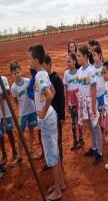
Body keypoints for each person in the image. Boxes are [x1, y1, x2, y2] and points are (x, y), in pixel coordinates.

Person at [29, 44, 65, 201]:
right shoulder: (43, 73)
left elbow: (50, 95)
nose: (28, 61)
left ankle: (58, 191)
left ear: (36, 60)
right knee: (54, 152)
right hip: (51, 116)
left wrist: (42, 113)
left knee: (52, 155)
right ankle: (60, 184)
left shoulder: (39, 76)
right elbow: (54, 91)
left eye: (30, 58)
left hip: (47, 118)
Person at [76, 44, 103, 165]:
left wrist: (93, 105)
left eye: (79, 56)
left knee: (96, 126)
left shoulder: (90, 70)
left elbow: (93, 88)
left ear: (86, 56)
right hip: (83, 102)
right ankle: (94, 147)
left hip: (90, 102)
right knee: (89, 125)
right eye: (77, 56)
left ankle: (100, 153)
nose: (77, 58)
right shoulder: (80, 71)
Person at [9, 60, 38, 166]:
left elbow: (33, 93)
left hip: (32, 110)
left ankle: (31, 151)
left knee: (31, 130)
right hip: (22, 113)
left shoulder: (27, 81)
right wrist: (21, 107)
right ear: (12, 74)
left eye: (18, 72)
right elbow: (15, 100)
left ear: (21, 71)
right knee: (20, 134)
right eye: (14, 73)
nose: (16, 74)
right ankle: (20, 156)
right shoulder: (13, 87)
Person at [0, 61, 18, 166]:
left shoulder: (3, 79)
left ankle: (14, 151)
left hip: (6, 113)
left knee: (9, 132)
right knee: (0, 135)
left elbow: (7, 93)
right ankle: (3, 154)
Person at [43, 54, 65, 165]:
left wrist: (62, 116)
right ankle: (50, 163)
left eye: (44, 65)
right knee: (49, 140)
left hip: (56, 115)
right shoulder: (43, 79)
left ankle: (59, 162)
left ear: (49, 64)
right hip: (46, 115)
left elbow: (62, 98)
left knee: (57, 140)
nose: (42, 68)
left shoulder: (56, 79)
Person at [63, 53, 84, 150]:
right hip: (71, 100)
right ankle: (75, 140)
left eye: (69, 61)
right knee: (72, 121)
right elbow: (65, 88)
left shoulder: (79, 72)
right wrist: (66, 102)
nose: (68, 63)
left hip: (78, 99)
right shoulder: (66, 74)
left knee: (79, 119)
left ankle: (81, 139)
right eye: (67, 61)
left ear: (75, 62)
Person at [92, 46, 108, 144]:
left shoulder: (104, 67)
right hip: (96, 96)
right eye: (92, 55)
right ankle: (101, 134)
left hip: (104, 95)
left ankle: (106, 134)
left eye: (95, 55)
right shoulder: (91, 69)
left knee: (105, 115)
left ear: (100, 55)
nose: (93, 57)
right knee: (98, 116)